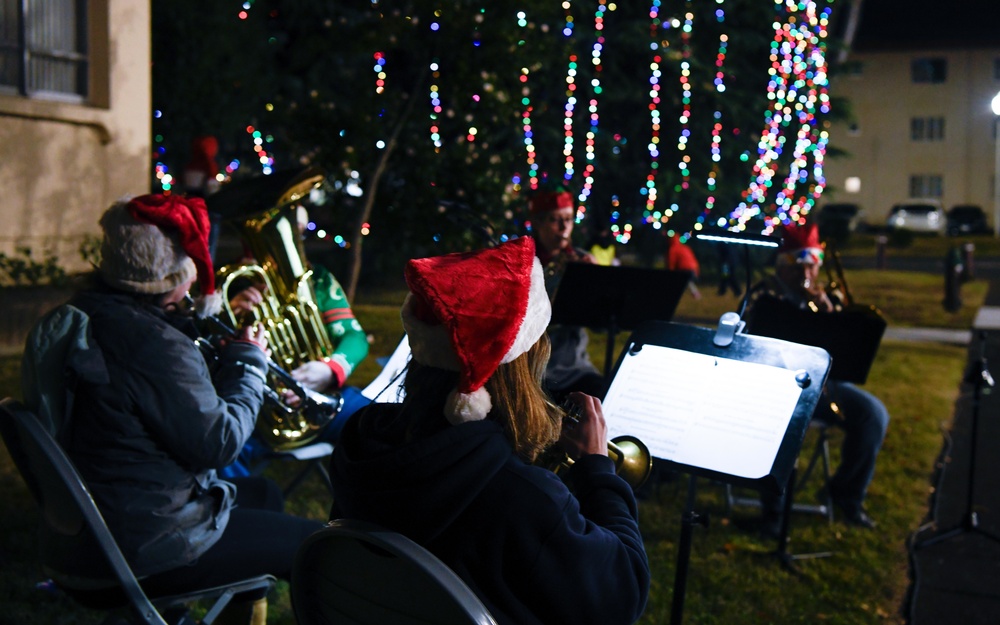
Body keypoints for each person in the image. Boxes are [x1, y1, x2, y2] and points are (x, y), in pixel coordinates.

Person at [23, 194, 323, 623]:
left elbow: (143, 400)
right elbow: (221, 444)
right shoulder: (155, 345)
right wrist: (249, 363)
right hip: (140, 551)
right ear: (175, 273)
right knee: (316, 544)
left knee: (265, 494)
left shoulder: (75, 317)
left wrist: (212, 361)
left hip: (79, 539)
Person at [329, 237, 649, 625]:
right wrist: (597, 471)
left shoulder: (361, 442)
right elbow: (623, 595)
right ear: (519, 364)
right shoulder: (525, 497)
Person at [746, 222, 889, 535]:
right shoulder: (765, 295)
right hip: (775, 388)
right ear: (782, 267)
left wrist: (830, 315)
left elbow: (846, 353)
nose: (807, 274)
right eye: (798, 266)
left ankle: (846, 495)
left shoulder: (828, 298)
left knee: (873, 414)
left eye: (812, 265)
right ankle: (773, 513)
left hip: (825, 387)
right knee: (782, 426)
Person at [222, 203, 371, 476]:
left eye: (297, 231)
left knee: (377, 424)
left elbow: (355, 337)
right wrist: (228, 313)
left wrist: (330, 369)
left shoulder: (319, 280)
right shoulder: (231, 285)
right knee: (224, 442)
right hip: (254, 409)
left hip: (324, 395)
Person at [528, 186, 607, 401]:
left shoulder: (581, 259)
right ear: (538, 223)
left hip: (574, 368)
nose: (564, 227)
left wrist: (596, 282)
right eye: (555, 220)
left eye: (569, 219)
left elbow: (601, 325)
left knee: (603, 397)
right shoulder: (524, 261)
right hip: (532, 368)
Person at [663, 231, 702, 300]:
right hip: (693, 268)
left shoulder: (673, 249)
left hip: (685, 268)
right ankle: (695, 294)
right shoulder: (685, 247)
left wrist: (670, 271)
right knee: (688, 282)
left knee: (685, 281)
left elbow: (671, 261)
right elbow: (693, 259)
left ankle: (695, 294)